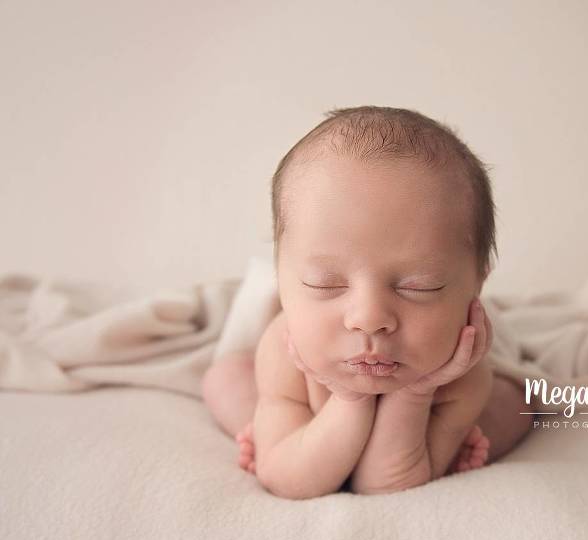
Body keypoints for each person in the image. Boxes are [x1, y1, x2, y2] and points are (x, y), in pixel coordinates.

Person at [202, 106, 533, 499]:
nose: (369, 318)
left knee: (517, 403)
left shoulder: (463, 374)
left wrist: (415, 393)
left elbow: (385, 483)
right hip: (286, 381)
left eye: (419, 287)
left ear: (479, 282)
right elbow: (288, 481)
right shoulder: (284, 350)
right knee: (225, 380)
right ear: (281, 275)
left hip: (442, 387)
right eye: (325, 284)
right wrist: (349, 399)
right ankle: (269, 426)